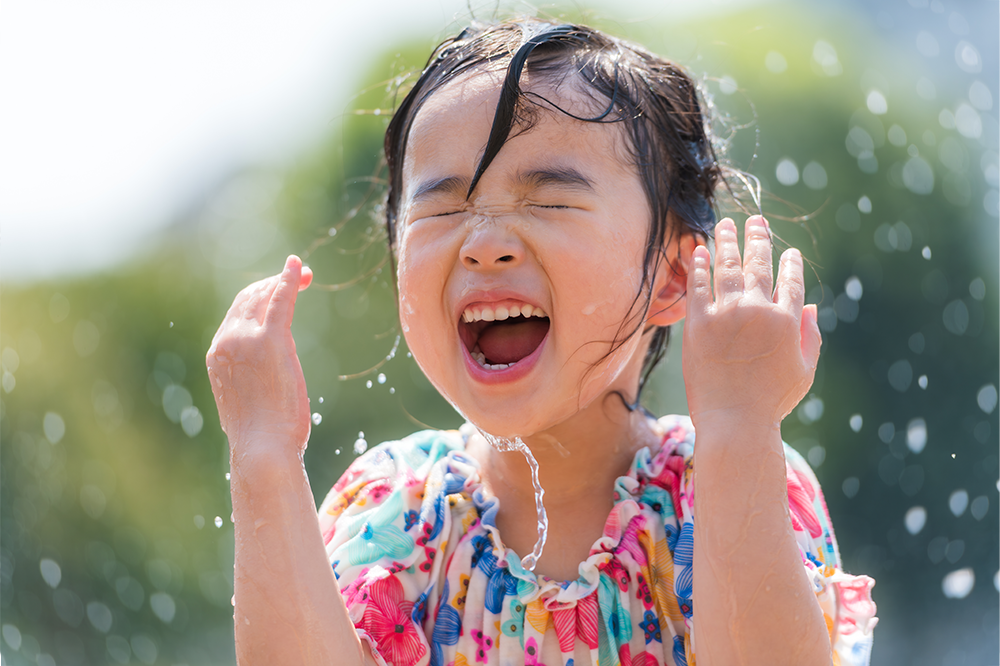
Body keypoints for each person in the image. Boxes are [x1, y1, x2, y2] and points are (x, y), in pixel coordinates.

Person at [206, 17, 877, 666]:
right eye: (442, 208)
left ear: (674, 274)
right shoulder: (394, 510)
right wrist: (264, 460)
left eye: (548, 201)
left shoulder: (730, 484)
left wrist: (739, 424)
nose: (484, 245)